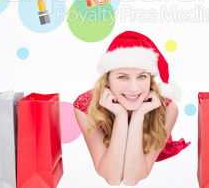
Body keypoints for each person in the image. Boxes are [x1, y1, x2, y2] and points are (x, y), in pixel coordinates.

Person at [73, 31, 190, 186]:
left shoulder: (167, 108)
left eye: (142, 76)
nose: (134, 89)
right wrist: (121, 117)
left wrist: (138, 115)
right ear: (107, 80)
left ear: (150, 80)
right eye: (123, 77)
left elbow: (132, 179)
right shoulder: (86, 106)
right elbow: (112, 178)